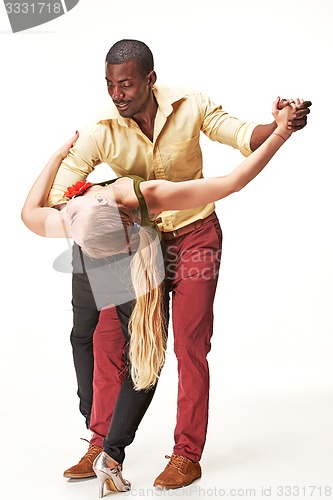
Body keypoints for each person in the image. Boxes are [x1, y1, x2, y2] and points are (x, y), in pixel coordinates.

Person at [45, 39, 312, 489]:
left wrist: (281, 124)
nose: (117, 94)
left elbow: (243, 136)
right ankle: (102, 444)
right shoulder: (100, 130)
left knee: (189, 344)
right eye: (109, 85)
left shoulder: (191, 104)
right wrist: (114, 197)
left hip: (195, 238)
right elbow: (59, 195)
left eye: (126, 84)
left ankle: (187, 454)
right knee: (112, 342)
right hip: (133, 248)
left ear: (150, 79)